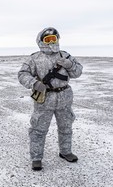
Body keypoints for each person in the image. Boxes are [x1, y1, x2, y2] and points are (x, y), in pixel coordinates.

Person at [18, 27, 83, 171]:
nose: (51, 42)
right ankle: (36, 158)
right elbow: (22, 74)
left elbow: (78, 72)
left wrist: (70, 65)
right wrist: (34, 83)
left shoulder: (65, 56)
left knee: (66, 127)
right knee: (38, 130)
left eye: (54, 39)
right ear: (41, 41)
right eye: (48, 40)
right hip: (44, 99)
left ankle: (65, 152)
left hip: (64, 98)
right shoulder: (34, 58)